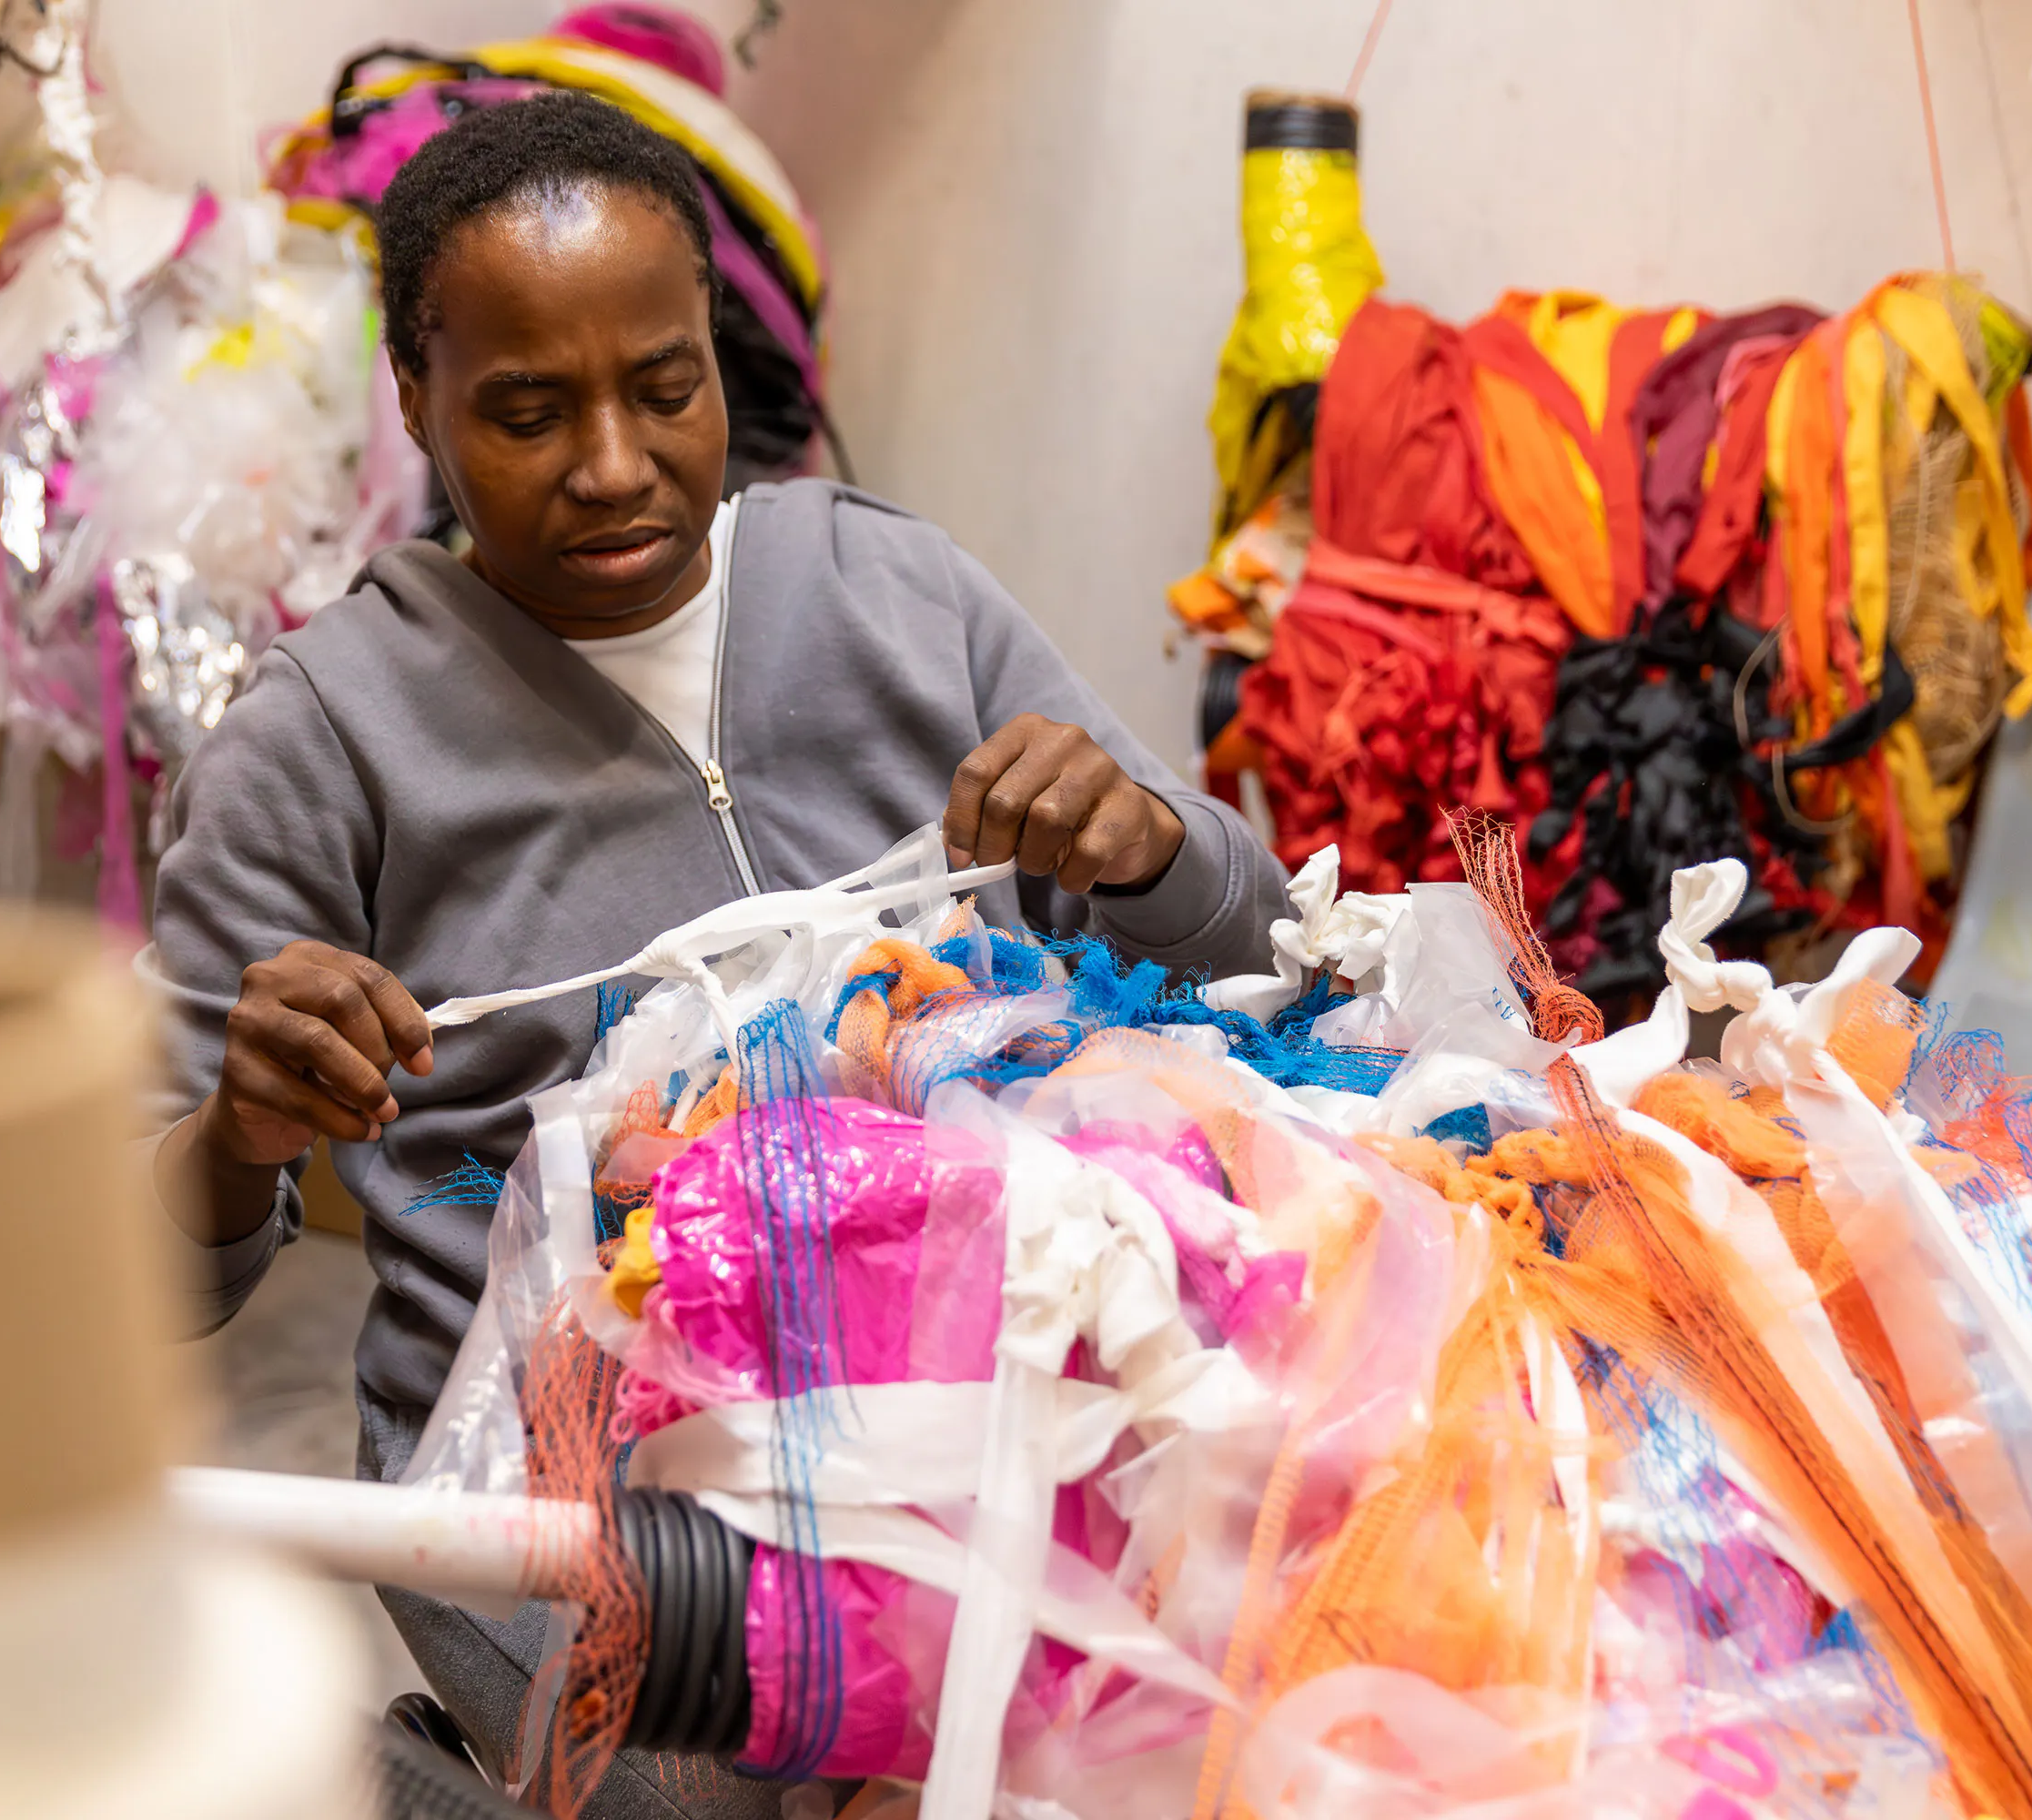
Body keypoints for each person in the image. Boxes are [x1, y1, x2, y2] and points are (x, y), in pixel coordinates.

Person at [144, 91, 1283, 1813]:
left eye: (665, 387)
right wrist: (234, 1141)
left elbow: (1270, 944)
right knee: (739, 1771)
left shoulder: (894, 598)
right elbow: (141, 1283)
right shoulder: (325, 741)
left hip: (956, 1378)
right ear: (417, 405)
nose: (615, 464)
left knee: (1227, 1667)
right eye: (525, 411)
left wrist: (1151, 847)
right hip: (548, 1470)